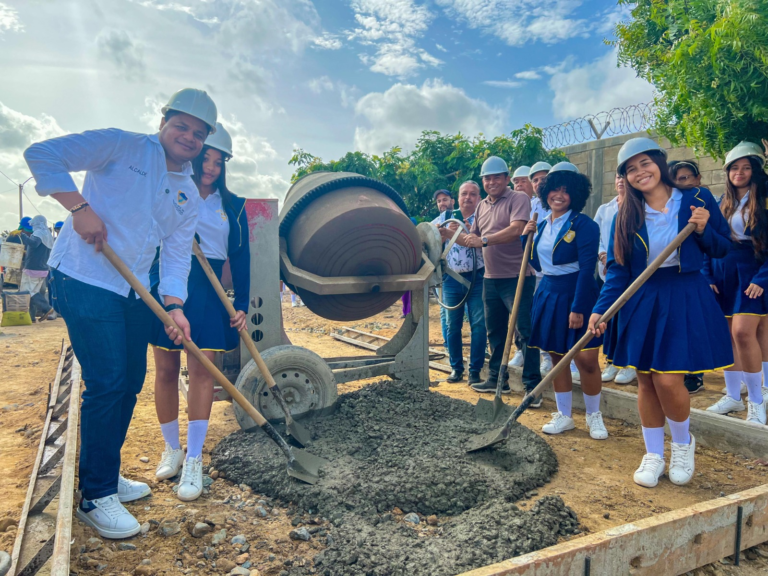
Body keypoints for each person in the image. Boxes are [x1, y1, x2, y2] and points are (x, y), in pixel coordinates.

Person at [24, 87, 216, 538]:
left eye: (198, 132)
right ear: (164, 121)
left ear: (205, 140)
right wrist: (79, 207)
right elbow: (42, 153)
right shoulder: (120, 145)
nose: (188, 136)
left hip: (132, 290)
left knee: (129, 381)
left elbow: (174, 255)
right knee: (108, 382)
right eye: (181, 125)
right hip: (83, 278)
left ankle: (104, 476)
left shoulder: (187, 191)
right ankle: (94, 496)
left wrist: (175, 305)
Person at [589, 137, 732, 489]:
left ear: (660, 163)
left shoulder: (697, 199)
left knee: (669, 378)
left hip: (683, 292)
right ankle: (654, 453)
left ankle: (683, 444)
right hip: (642, 297)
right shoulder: (625, 214)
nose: (640, 173)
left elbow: (722, 247)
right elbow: (620, 270)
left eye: (645, 164)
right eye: (631, 169)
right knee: (647, 380)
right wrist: (600, 310)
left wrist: (701, 229)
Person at [151, 122, 250, 500]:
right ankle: (172, 449)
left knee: (202, 369)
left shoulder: (232, 206)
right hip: (171, 280)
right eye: (206, 158)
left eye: (218, 161)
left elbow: (240, 259)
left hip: (209, 291)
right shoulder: (170, 187)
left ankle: (194, 459)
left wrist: (240, 304)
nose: (210, 167)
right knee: (165, 368)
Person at [523, 163, 607, 439]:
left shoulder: (585, 225)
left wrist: (579, 308)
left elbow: (587, 269)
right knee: (557, 356)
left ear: (576, 195)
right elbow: (535, 263)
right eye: (554, 189)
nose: (559, 195)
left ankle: (594, 416)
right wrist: (526, 238)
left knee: (586, 360)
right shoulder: (542, 223)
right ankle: (564, 415)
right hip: (548, 291)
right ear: (546, 192)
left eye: (566, 191)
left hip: (576, 292)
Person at [454, 156, 542, 406]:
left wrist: (484, 241)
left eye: (496, 177)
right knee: (495, 331)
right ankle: (496, 378)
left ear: (506, 178)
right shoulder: (482, 206)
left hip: (517, 277)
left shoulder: (518, 198)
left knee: (524, 333)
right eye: (487, 178)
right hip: (490, 279)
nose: (491, 182)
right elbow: (473, 239)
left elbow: (516, 229)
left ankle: (532, 387)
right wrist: (450, 235)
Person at [703, 142, 768, 424]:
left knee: (743, 333)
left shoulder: (764, 201)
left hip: (751, 272)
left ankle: (756, 402)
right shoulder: (721, 203)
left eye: (746, 167)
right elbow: (709, 242)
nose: (739, 173)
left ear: (754, 171)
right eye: (734, 168)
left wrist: (762, 278)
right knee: (726, 335)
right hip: (721, 273)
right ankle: (732, 396)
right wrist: (706, 275)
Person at [437, 180, 487, 385]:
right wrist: (439, 235)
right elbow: (430, 240)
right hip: (452, 278)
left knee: (479, 324)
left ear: (479, 197)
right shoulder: (446, 217)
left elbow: (488, 242)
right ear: (457, 198)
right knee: (452, 325)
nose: (468, 197)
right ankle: (456, 368)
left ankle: (475, 370)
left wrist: (468, 233)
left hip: (478, 278)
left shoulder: (485, 217)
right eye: (464, 193)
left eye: (473, 194)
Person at [594, 173, 636, 385]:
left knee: (627, 317)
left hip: (632, 272)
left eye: (623, 177)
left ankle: (629, 363)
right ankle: (611, 361)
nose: (620, 180)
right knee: (609, 318)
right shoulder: (604, 209)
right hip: (609, 271)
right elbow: (598, 237)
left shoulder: (639, 206)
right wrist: (603, 254)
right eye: (617, 177)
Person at [668, 160, 706, 394]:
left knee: (692, 327)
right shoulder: (670, 203)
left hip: (692, 274)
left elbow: (718, 243)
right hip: (668, 276)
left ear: (697, 178)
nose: (681, 183)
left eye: (686, 177)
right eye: (676, 179)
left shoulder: (702, 199)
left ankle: (695, 373)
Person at [513, 164, 554, 376]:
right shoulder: (528, 205)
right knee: (526, 315)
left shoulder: (557, 203)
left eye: (542, 179)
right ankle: (523, 350)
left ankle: (548, 355)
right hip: (529, 270)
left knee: (545, 316)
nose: (539, 184)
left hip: (552, 273)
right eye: (535, 180)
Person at [18, 215, 54, 321]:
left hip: (33, 268)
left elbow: (33, 244)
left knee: (26, 292)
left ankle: (46, 308)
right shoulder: (48, 235)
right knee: (34, 292)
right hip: (43, 268)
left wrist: (22, 235)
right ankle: (32, 317)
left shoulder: (38, 233)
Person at [431, 189, 454, 349]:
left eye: (445, 199)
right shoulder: (433, 224)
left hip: (465, 272)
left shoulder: (461, 219)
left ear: (452, 201)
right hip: (444, 272)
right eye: (439, 201)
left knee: (471, 310)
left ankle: (481, 349)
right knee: (445, 310)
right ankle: (448, 345)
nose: (442, 203)